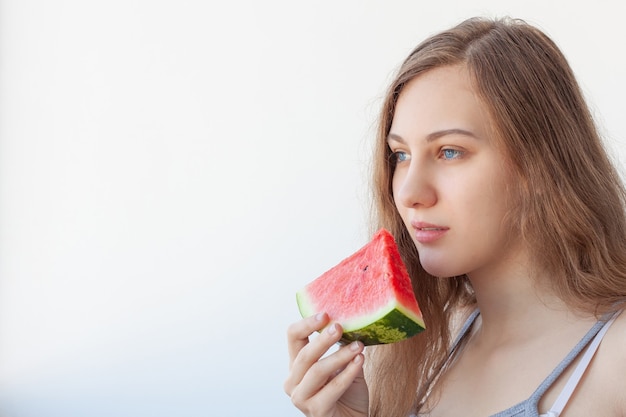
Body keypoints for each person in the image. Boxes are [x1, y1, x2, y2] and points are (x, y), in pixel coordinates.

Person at [284, 16, 626, 417]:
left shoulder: (615, 357)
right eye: (400, 155)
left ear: (539, 166)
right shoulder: (425, 347)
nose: (410, 194)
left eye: (450, 152)